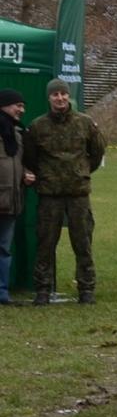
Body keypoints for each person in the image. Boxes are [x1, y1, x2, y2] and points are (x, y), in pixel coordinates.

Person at [22, 78, 104, 305]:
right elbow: (30, 157)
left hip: (78, 193)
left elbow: (97, 153)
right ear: (49, 98)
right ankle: (43, 290)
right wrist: (48, 175)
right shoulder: (37, 126)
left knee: (83, 243)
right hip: (50, 194)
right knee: (45, 243)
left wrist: (81, 171)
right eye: (55, 94)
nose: (60, 98)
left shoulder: (85, 123)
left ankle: (86, 289)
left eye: (63, 94)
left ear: (69, 96)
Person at [0, 88, 31, 306]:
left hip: (10, 202)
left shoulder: (18, 134)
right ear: (4, 105)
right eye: (18, 105)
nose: (21, 110)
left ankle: (1, 293)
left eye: (23, 106)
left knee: (4, 250)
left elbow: (18, 164)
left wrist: (25, 174)